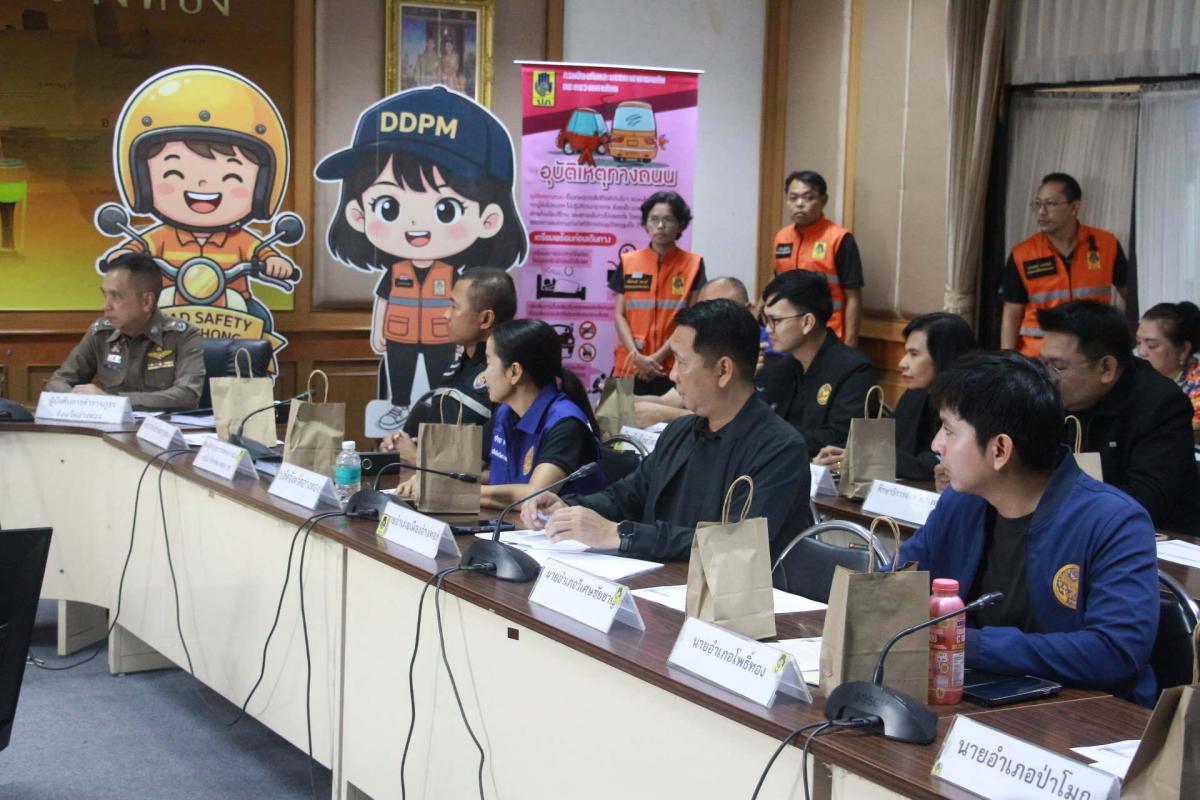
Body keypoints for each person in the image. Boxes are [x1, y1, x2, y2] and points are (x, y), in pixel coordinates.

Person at [897, 352, 1159, 706]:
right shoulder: (960, 503)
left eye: (949, 430)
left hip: (1085, 712)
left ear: (1000, 449)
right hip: (973, 696)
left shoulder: (1114, 521)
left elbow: (1116, 651)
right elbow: (897, 586)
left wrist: (965, 643)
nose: (936, 445)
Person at [521, 299, 811, 562]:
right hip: (657, 581)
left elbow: (734, 546)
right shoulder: (681, 431)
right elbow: (628, 496)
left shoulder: (780, 449)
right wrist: (566, 508)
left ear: (723, 370)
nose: (673, 375)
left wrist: (619, 534)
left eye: (681, 363)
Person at [316, 86, 527, 431]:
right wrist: (378, 331)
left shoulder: (493, 373)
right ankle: (400, 409)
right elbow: (385, 298)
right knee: (400, 379)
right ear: (357, 213)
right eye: (388, 206)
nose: (416, 226)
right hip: (400, 337)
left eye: (446, 209)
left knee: (433, 384)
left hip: (437, 346)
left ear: (489, 220)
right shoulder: (398, 272)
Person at [99, 67, 299, 330]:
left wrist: (275, 263)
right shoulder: (160, 238)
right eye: (174, 173)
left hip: (233, 306)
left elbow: (264, 253)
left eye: (232, 177)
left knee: (258, 318)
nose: (203, 184)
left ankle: (248, 359)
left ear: (262, 187)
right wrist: (123, 256)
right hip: (169, 304)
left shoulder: (241, 240)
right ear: (142, 181)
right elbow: (136, 250)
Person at [1039, 300, 1200, 533]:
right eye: (1042, 363)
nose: (1047, 377)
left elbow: (1148, 499)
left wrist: (1055, 500)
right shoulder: (1053, 398)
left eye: (1058, 367)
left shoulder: (1160, 404)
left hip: (1154, 537)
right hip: (1074, 527)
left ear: (1106, 368)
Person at [814, 312, 977, 481]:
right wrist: (842, 454)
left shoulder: (972, 403)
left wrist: (866, 458)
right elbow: (884, 442)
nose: (902, 363)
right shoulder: (915, 394)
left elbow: (937, 463)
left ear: (943, 357)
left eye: (914, 354)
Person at [380, 267, 516, 464]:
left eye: (454, 306)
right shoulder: (459, 365)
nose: (445, 315)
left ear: (486, 319)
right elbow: (436, 443)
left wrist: (418, 459)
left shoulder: (506, 378)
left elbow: (497, 468)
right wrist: (400, 444)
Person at [45, 252, 205, 411]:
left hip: (164, 426)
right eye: (105, 294)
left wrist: (111, 401)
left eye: (116, 296)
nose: (106, 306)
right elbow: (57, 383)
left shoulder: (182, 336)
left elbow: (187, 395)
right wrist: (77, 398)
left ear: (147, 301)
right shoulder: (101, 333)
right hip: (111, 425)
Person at [479, 319, 606, 508]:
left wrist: (459, 494)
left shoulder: (566, 423)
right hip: (506, 523)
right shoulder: (505, 411)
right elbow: (473, 470)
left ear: (514, 372)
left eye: (489, 363)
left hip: (557, 526)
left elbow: (535, 497)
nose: (484, 375)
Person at [1001, 173, 1129, 357]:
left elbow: (1130, 294)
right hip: (1041, 357)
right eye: (1038, 204)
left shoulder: (1106, 244)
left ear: (1074, 207)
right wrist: (1008, 360)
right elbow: (1012, 313)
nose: (1041, 212)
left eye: (1050, 204)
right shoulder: (1023, 254)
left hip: (1092, 353)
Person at [755, 269, 876, 458]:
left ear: (807, 322)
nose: (768, 329)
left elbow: (842, 438)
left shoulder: (854, 370)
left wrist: (770, 435)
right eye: (765, 319)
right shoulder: (781, 368)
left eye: (775, 320)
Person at [610, 191, 706, 395]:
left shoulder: (694, 264)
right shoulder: (628, 261)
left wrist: (656, 358)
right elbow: (619, 315)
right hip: (629, 364)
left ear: (680, 225)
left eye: (668, 219)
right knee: (616, 414)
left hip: (672, 368)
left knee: (667, 415)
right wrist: (637, 357)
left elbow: (692, 320)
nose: (660, 226)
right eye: (654, 219)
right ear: (646, 223)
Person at [631, 276, 758, 427]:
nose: (710, 320)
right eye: (704, 310)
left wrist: (666, 415)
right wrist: (621, 401)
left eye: (722, 310)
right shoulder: (697, 349)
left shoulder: (765, 356)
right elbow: (668, 401)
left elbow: (740, 418)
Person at [772, 170, 864, 345]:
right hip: (788, 334)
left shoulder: (839, 238)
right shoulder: (782, 237)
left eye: (808, 197)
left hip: (827, 334)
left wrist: (850, 344)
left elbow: (853, 296)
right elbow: (777, 278)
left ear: (824, 200)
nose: (799, 204)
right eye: (793, 198)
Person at [1137, 301, 1200, 429]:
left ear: (1183, 350)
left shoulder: (1196, 389)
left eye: (1151, 345)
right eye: (1138, 342)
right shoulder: (1137, 378)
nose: (1141, 352)